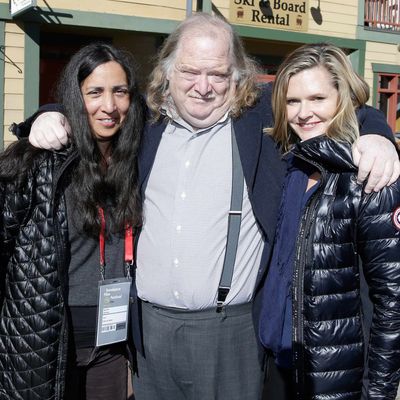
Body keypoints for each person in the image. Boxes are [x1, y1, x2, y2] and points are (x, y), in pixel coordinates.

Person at [14, 13, 400, 400]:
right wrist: (48, 113)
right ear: (167, 73)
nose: (203, 87)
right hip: (148, 330)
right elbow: (95, 107)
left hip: (231, 333)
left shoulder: (259, 118)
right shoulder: (145, 124)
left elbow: (332, 108)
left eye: (217, 74)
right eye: (189, 72)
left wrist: (378, 135)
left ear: (237, 77)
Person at [0, 43, 144, 399]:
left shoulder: (139, 159)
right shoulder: (38, 162)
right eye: (94, 92)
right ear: (75, 98)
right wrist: (44, 116)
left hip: (113, 346)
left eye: (119, 92)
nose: (109, 106)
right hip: (43, 344)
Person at [259, 43, 400, 400]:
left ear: (344, 99)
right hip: (278, 366)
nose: (304, 113)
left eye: (317, 98)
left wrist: (379, 392)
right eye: (293, 101)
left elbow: (392, 301)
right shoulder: (290, 164)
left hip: (335, 378)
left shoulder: (370, 177)